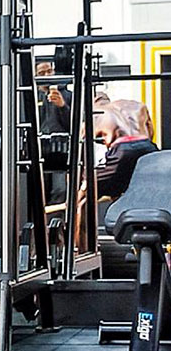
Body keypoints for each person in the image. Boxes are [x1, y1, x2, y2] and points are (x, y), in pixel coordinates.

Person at [75, 97, 157, 248]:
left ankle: (82, 250)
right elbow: (150, 131)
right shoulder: (135, 105)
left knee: (81, 199)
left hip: (123, 150)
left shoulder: (97, 113)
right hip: (148, 148)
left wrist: (83, 182)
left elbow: (80, 149)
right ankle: (147, 245)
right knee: (141, 195)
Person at [35, 60, 72, 204]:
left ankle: (57, 223)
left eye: (49, 71)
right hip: (38, 151)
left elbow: (75, 125)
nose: (46, 76)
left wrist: (63, 106)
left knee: (60, 190)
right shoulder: (28, 96)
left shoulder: (68, 95)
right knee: (39, 191)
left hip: (61, 151)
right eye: (41, 73)